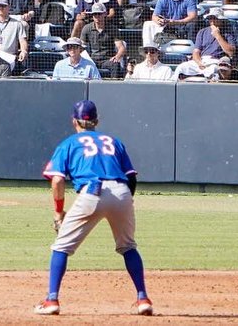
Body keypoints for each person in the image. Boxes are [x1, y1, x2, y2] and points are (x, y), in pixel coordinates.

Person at [35, 99, 151, 316]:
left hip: (92, 191)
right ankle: (143, 298)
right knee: (128, 246)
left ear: (74, 121)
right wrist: (126, 201)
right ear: (97, 121)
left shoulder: (69, 143)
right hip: (122, 191)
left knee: (61, 247)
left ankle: (52, 300)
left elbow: (57, 180)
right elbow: (131, 177)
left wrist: (58, 212)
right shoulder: (114, 141)